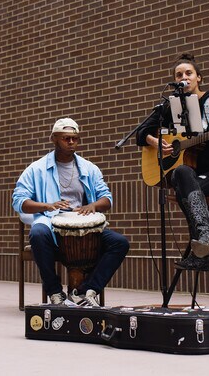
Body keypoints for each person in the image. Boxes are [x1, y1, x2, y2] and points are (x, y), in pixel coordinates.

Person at [136, 53, 209, 270]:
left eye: (188, 73)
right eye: (178, 75)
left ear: (199, 78)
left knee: (185, 189)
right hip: (191, 175)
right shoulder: (173, 106)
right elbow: (141, 132)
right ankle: (206, 244)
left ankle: (205, 246)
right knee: (181, 173)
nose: (183, 77)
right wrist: (154, 141)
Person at [13, 117, 130, 307]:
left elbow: (107, 199)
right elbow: (19, 201)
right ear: (54, 139)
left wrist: (93, 206)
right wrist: (47, 205)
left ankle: (86, 291)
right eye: (65, 138)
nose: (71, 142)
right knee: (37, 233)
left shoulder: (89, 168)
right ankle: (54, 292)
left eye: (75, 138)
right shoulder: (36, 169)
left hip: (83, 228)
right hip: (50, 225)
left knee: (119, 243)